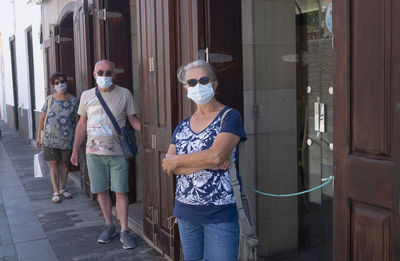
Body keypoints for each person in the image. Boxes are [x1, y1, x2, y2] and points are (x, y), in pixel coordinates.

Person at [162, 60, 246, 261]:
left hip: (220, 213)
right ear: (186, 88)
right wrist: (207, 161)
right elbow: (168, 164)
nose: (197, 86)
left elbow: (216, 155)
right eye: (192, 82)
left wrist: (182, 161)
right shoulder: (182, 126)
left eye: (203, 80)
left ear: (214, 84)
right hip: (185, 211)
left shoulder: (229, 116)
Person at [70, 59, 141, 250]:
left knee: (120, 191)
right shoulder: (86, 95)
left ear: (114, 75)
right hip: (93, 154)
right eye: (100, 73)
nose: (104, 76)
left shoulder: (124, 94)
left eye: (108, 73)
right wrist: (75, 149)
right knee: (101, 191)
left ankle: (125, 229)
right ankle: (110, 225)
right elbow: (82, 124)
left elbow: (133, 120)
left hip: (118, 153)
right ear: (94, 75)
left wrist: (152, 134)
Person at [36, 72, 79, 203]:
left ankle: (63, 189)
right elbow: (42, 119)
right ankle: (55, 191)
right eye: (57, 83)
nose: (60, 84)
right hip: (50, 139)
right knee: (53, 164)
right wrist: (39, 137)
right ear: (53, 85)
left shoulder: (73, 100)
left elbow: (77, 121)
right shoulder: (49, 99)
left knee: (65, 163)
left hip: (67, 139)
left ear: (66, 82)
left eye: (62, 82)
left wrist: (78, 139)